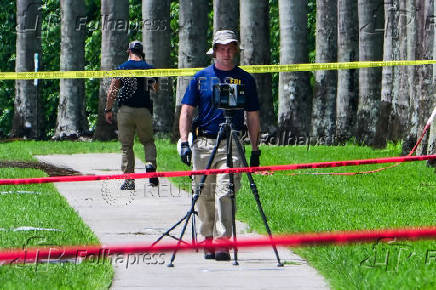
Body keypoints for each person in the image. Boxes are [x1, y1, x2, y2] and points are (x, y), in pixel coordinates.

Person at [178, 30, 261, 261]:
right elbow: (186, 111)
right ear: (214, 51)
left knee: (226, 191)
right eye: (222, 48)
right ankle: (207, 238)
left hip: (232, 143)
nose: (226, 52)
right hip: (203, 143)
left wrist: (255, 150)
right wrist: (185, 142)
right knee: (204, 192)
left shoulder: (245, 80)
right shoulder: (200, 78)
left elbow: (252, 116)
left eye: (230, 48)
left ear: (235, 50)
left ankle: (222, 241)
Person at [105, 40, 159, 190]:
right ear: (142, 52)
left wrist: (108, 110)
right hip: (144, 111)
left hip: (125, 111)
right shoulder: (149, 69)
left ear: (129, 52)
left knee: (127, 146)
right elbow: (155, 89)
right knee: (148, 141)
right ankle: (150, 166)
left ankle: (129, 181)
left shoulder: (122, 68)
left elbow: (112, 91)